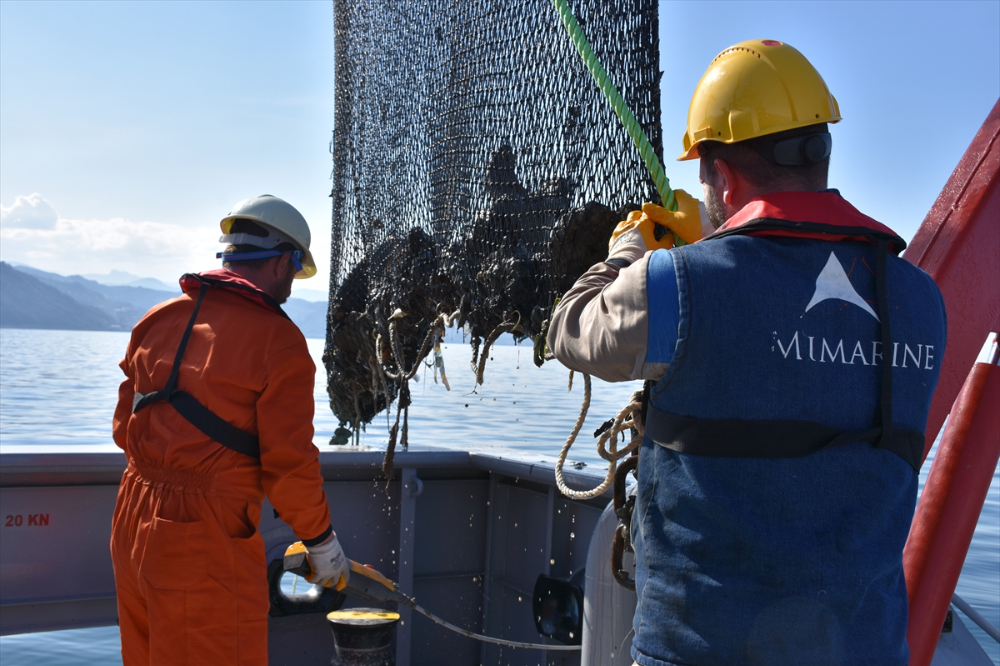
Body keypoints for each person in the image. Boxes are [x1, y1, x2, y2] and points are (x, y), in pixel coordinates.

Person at [549, 40, 947, 665]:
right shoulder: (923, 302)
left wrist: (632, 251)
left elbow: (570, 328)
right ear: (819, 151)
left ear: (721, 176)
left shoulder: (678, 284)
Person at [111, 194, 349, 665]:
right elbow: (289, 465)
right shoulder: (278, 342)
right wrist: (321, 541)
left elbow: (124, 429)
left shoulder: (156, 321)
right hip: (202, 541)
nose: (290, 288)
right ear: (285, 262)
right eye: (295, 274)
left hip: (132, 522)